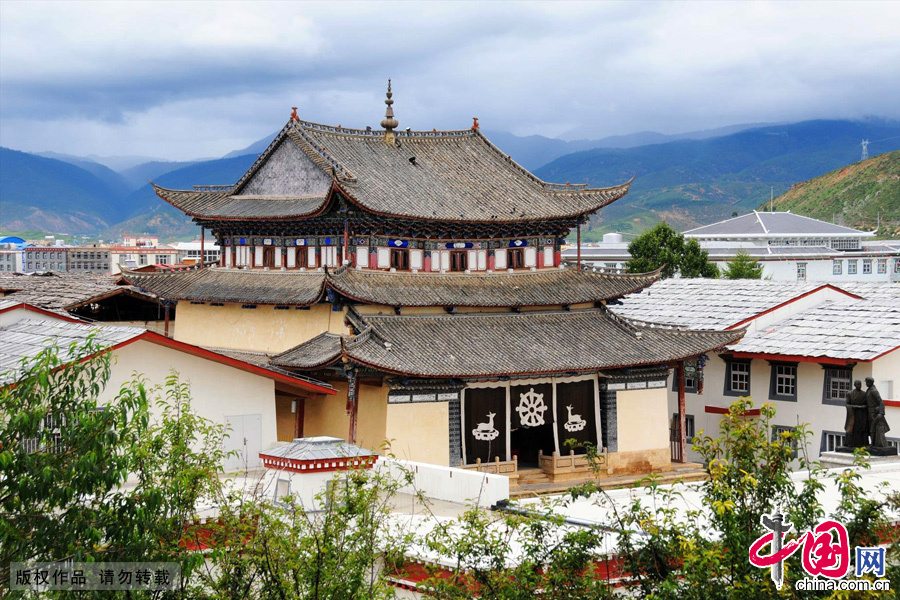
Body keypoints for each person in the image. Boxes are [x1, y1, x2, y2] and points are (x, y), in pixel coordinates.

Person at [865, 377, 890, 448]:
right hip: (870, 413)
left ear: (870, 382)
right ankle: (873, 444)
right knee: (871, 429)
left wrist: (881, 413)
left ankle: (874, 444)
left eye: (866, 382)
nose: (866, 383)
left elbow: (881, 402)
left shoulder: (874, 391)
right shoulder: (869, 390)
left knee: (873, 429)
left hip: (874, 414)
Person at [844, 380, 869, 447]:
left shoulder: (864, 394)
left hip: (862, 414)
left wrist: (862, 407)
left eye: (860, 384)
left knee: (862, 428)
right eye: (858, 384)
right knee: (852, 428)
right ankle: (850, 443)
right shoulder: (850, 393)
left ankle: (862, 443)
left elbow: (867, 405)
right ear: (855, 385)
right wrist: (855, 407)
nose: (859, 386)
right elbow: (847, 404)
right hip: (853, 414)